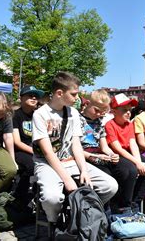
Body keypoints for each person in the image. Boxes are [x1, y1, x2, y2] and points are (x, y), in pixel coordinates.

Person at [32, 72, 118, 223]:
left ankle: (80, 214)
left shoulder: (73, 113)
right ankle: (56, 223)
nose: (77, 98)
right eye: (73, 94)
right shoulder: (40, 114)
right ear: (59, 93)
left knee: (110, 186)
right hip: (47, 164)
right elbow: (47, 152)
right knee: (52, 199)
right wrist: (67, 179)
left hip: (70, 161)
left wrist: (83, 170)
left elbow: (76, 144)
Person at [105, 93, 145, 211]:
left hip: (129, 154)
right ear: (114, 111)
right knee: (131, 170)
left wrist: (139, 161)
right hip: (117, 156)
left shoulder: (129, 124)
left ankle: (135, 201)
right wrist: (136, 163)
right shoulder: (110, 125)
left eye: (129, 110)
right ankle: (124, 205)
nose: (128, 112)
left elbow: (133, 144)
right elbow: (117, 148)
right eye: (124, 110)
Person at [12, 85, 45, 205]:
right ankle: (19, 196)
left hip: (37, 150)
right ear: (21, 98)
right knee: (32, 166)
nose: (34, 98)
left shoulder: (38, 116)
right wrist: (35, 151)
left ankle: (38, 196)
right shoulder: (15, 115)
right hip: (19, 151)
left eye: (36, 96)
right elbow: (17, 142)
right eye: (30, 95)